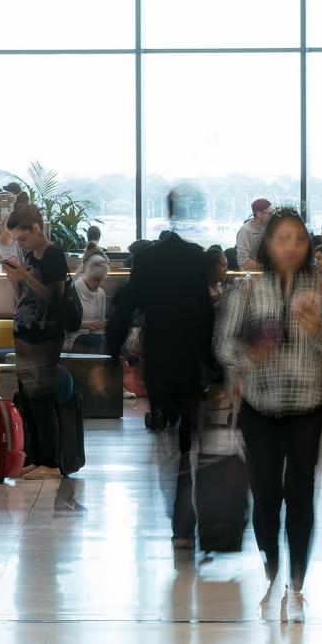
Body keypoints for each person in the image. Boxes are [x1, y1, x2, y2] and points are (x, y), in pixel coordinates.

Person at [214, 208, 322, 622]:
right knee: (266, 496)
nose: (291, 247)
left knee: (301, 493)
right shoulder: (247, 291)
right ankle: (272, 570)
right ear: (267, 243)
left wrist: (317, 329)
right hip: (259, 407)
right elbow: (224, 346)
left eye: (299, 238)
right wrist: (250, 353)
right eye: (282, 238)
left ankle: (296, 586)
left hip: (307, 405)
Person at [107, 189, 215, 548]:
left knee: (168, 442)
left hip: (160, 361)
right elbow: (204, 314)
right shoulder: (195, 257)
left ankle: (180, 519)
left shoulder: (148, 259)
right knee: (186, 440)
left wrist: (110, 355)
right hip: (189, 361)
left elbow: (126, 307)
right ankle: (186, 514)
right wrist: (213, 363)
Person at [1, 203, 67, 481]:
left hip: (45, 336)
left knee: (40, 397)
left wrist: (25, 276)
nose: (21, 244)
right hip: (26, 334)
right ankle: (37, 457)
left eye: (23, 238)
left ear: (36, 228)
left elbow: (54, 299)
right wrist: (14, 279)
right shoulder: (30, 256)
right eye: (17, 240)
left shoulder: (53, 255)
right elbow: (24, 299)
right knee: (27, 398)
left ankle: (50, 461)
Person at [66, 253, 109, 353]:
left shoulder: (101, 293)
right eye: (96, 279)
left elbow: (101, 320)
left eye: (101, 279)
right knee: (100, 343)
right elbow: (66, 325)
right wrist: (85, 325)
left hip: (95, 336)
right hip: (74, 337)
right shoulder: (73, 290)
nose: (99, 284)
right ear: (89, 275)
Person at [235, 198, 272, 271]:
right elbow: (243, 261)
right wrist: (266, 268)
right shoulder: (245, 230)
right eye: (269, 213)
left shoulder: (269, 228)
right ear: (259, 214)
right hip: (252, 276)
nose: (272, 216)